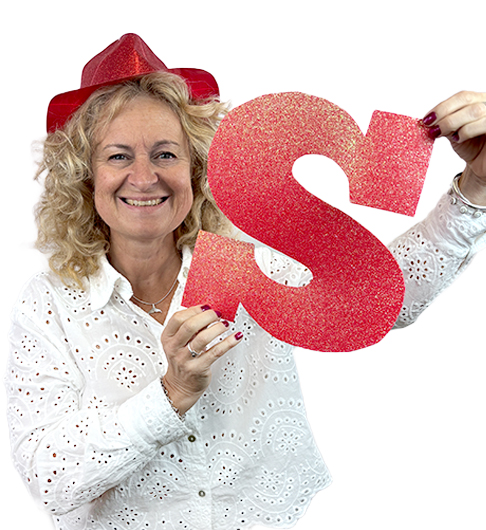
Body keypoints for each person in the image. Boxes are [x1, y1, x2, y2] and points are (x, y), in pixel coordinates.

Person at [5, 33, 486, 530]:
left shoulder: (254, 264)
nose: (145, 178)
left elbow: (380, 298)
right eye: (118, 156)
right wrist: (172, 393)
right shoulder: (49, 304)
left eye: (166, 154)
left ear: (195, 169)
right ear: (85, 176)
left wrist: (476, 188)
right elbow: (49, 478)